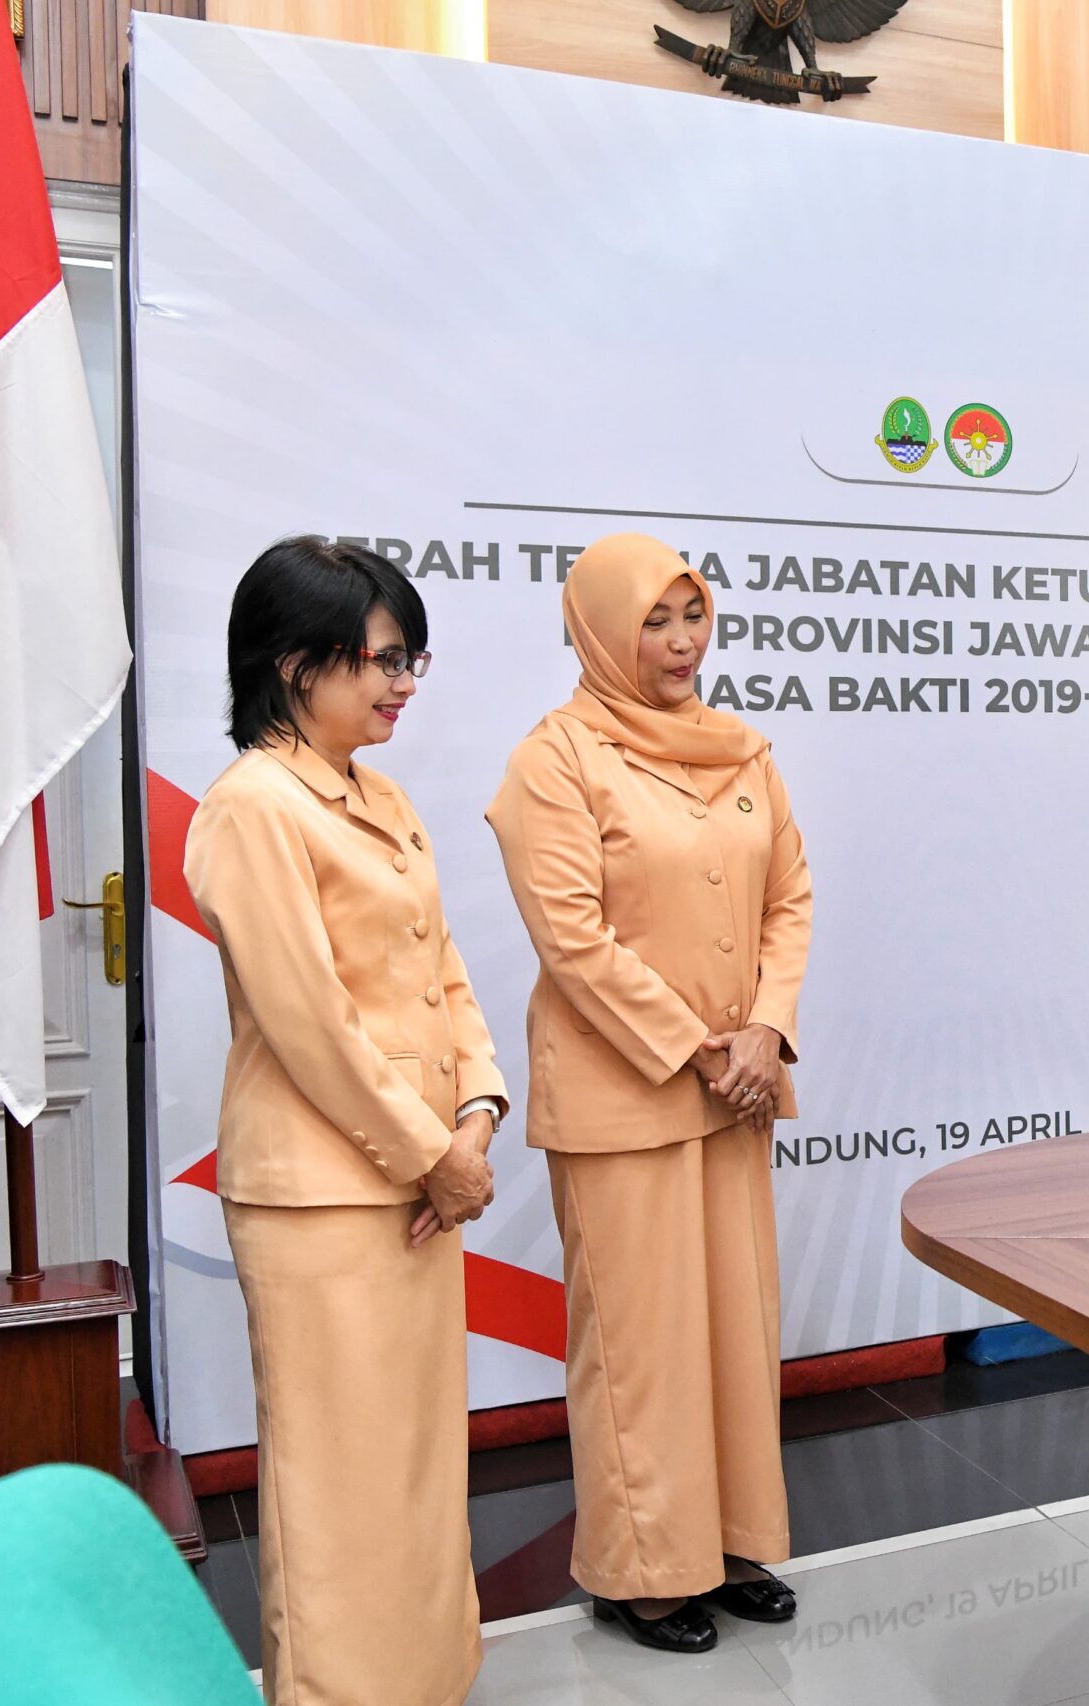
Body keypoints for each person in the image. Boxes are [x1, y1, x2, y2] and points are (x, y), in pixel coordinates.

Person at [184, 538, 502, 1706]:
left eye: (408, 655)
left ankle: (426, 1681)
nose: (401, 681)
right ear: (292, 662)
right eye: (379, 657)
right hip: (322, 1190)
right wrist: (431, 1155)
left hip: (423, 1178)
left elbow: (444, 968)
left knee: (416, 1466)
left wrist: (472, 1113)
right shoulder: (252, 806)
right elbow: (308, 1020)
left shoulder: (382, 790)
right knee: (340, 1480)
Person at [487, 533, 812, 1654]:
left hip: (739, 1088)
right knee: (639, 1344)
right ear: (599, 631)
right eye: (655, 622)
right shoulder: (554, 760)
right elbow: (572, 938)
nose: (681, 642)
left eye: (693, 614)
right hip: (627, 1095)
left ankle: (723, 1545)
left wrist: (765, 1026)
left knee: (730, 1330)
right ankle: (637, 1570)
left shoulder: (742, 749)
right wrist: (697, 1044)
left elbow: (791, 893)